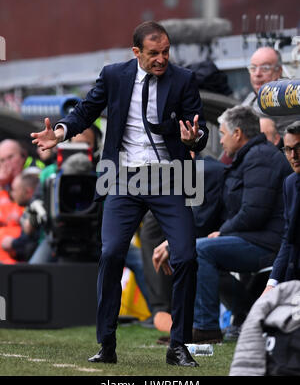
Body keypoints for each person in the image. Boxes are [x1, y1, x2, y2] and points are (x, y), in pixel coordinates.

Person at [31, 21, 208, 367]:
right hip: (122, 178)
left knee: (186, 256)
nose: (161, 59)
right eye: (154, 53)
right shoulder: (114, 75)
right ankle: (107, 342)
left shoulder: (184, 79)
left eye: (166, 51)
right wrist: (62, 132)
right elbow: (86, 110)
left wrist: (193, 140)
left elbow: (197, 130)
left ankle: (178, 344)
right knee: (111, 253)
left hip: (171, 178)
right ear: (136, 52)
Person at [153, 105, 291, 343]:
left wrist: (222, 232)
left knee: (199, 251)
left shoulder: (260, 158)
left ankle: (205, 327)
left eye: (224, 134)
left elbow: (253, 213)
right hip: (257, 240)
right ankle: (247, 311)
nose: (223, 140)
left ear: (238, 133)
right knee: (194, 249)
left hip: (269, 245)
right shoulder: (250, 157)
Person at [262, 121, 300, 294]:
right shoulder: (290, 183)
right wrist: (272, 282)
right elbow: (288, 238)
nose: (294, 156)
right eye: (288, 149)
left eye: (298, 147)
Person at [1, 172, 40, 262]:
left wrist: (13, 243)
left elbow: (31, 242)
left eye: (15, 190)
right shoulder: (27, 208)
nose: (12, 194)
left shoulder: (36, 208)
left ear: (28, 192)